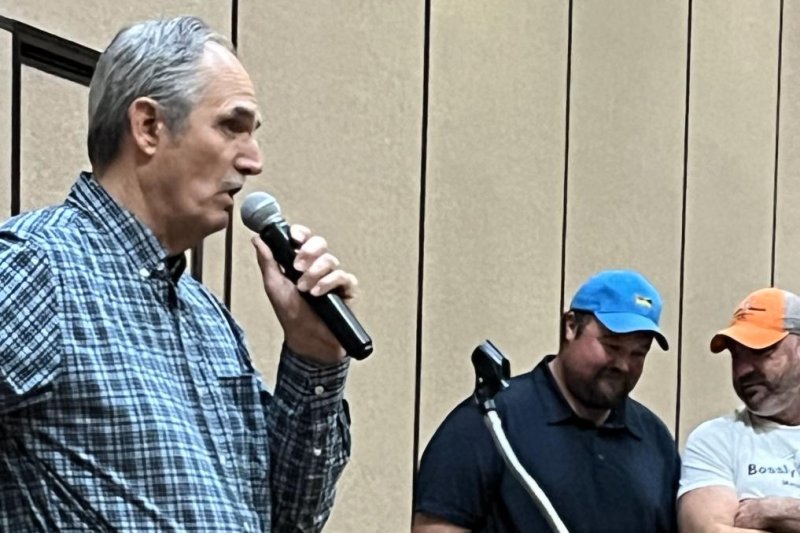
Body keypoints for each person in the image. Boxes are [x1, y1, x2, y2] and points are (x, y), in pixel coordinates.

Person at [0, 16, 358, 531]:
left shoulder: (209, 320)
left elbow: (290, 519)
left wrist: (315, 355)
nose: (254, 161)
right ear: (148, 127)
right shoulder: (39, 269)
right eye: (232, 126)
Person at [413, 269, 680, 532]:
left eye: (639, 354)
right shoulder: (489, 423)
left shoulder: (654, 439)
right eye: (612, 346)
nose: (623, 364)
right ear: (571, 326)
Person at [678, 288, 800, 532]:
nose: (743, 370)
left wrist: (777, 511)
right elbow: (707, 530)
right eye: (736, 355)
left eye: (760, 352)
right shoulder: (716, 439)